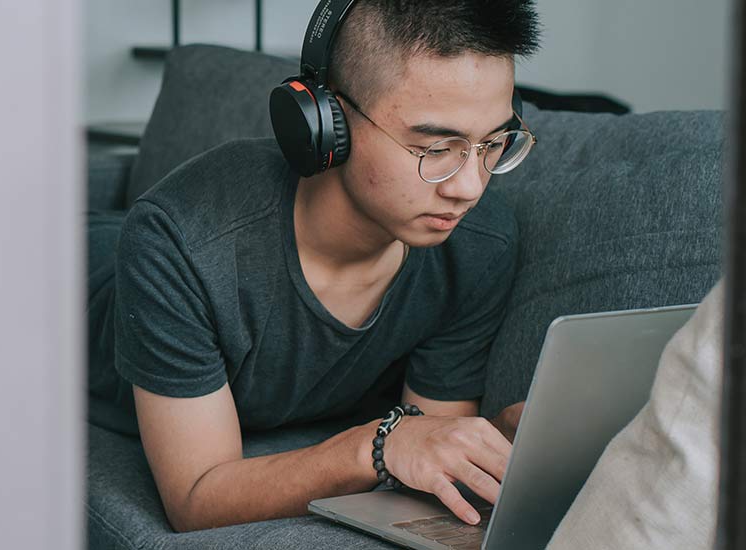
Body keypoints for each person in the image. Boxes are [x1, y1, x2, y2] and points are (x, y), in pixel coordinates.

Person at [86, 0, 540, 532]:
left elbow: (431, 440)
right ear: (324, 126)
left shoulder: (479, 243)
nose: (469, 188)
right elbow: (197, 498)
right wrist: (375, 447)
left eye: (492, 143)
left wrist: (500, 436)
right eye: (437, 147)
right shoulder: (179, 243)